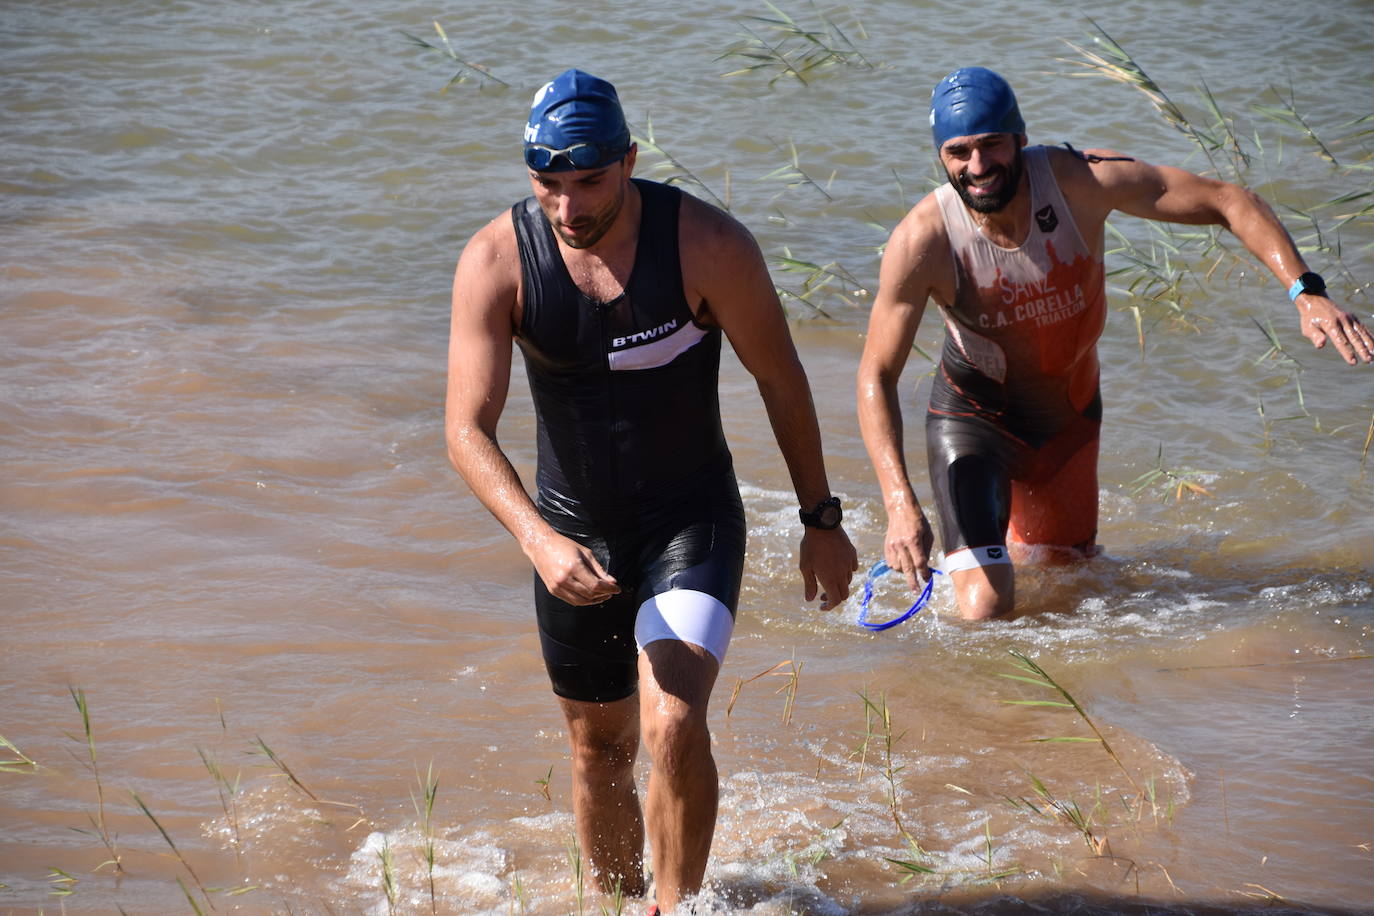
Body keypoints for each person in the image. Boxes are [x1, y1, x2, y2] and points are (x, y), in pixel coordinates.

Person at [445, 69, 858, 912]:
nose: (569, 209)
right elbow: (464, 429)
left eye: (589, 181)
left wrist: (822, 519)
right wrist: (537, 539)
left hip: (688, 518)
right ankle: (620, 902)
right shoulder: (497, 262)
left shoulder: (707, 246)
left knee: (672, 719)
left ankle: (679, 907)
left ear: (629, 159)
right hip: (570, 533)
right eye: (548, 186)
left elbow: (781, 379)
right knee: (600, 748)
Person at [857, 67, 1373, 622]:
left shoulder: (1081, 181)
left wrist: (1305, 291)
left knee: (1068, 588)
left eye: (991, 146)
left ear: (1019, 139)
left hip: (1068, 422)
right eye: (959, 152)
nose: (977, 167)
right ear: (942, 156)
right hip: (975, 424)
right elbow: (876, 376)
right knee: (987, 609)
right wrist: (899, 504)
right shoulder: (923, 241)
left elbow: (1229, 201)